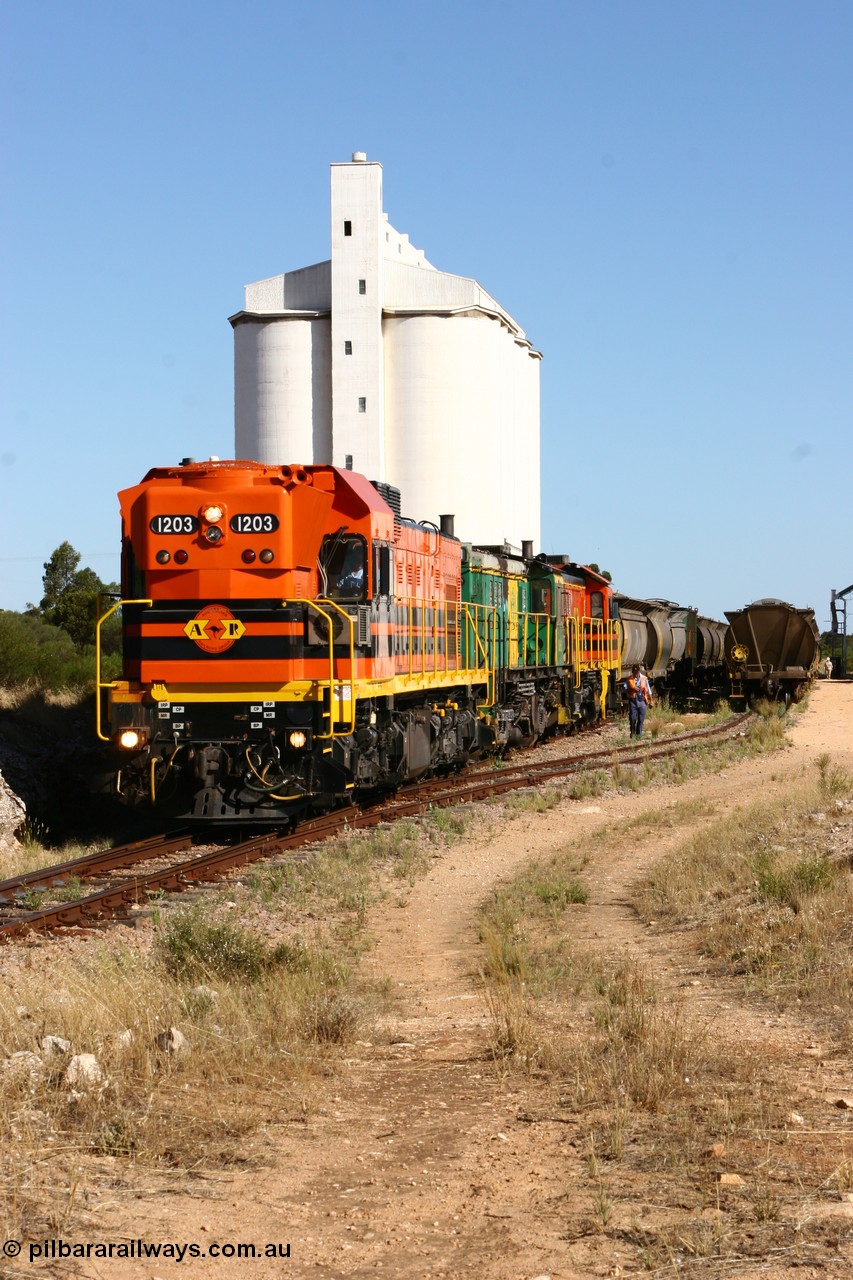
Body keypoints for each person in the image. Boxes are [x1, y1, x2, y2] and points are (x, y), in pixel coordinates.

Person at [627, 663, 653, 738]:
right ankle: (633, 732)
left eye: (636, 672)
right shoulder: (630, 679)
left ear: (639, 671)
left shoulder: (644, 678)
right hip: (633, 701)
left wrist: (650, 701)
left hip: (642, 700)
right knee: (633, 718)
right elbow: (625, 687)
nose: (635, 673)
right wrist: (631, 688)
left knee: (641, 719)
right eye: (634, 672)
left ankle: (639, 734)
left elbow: (648, 690)